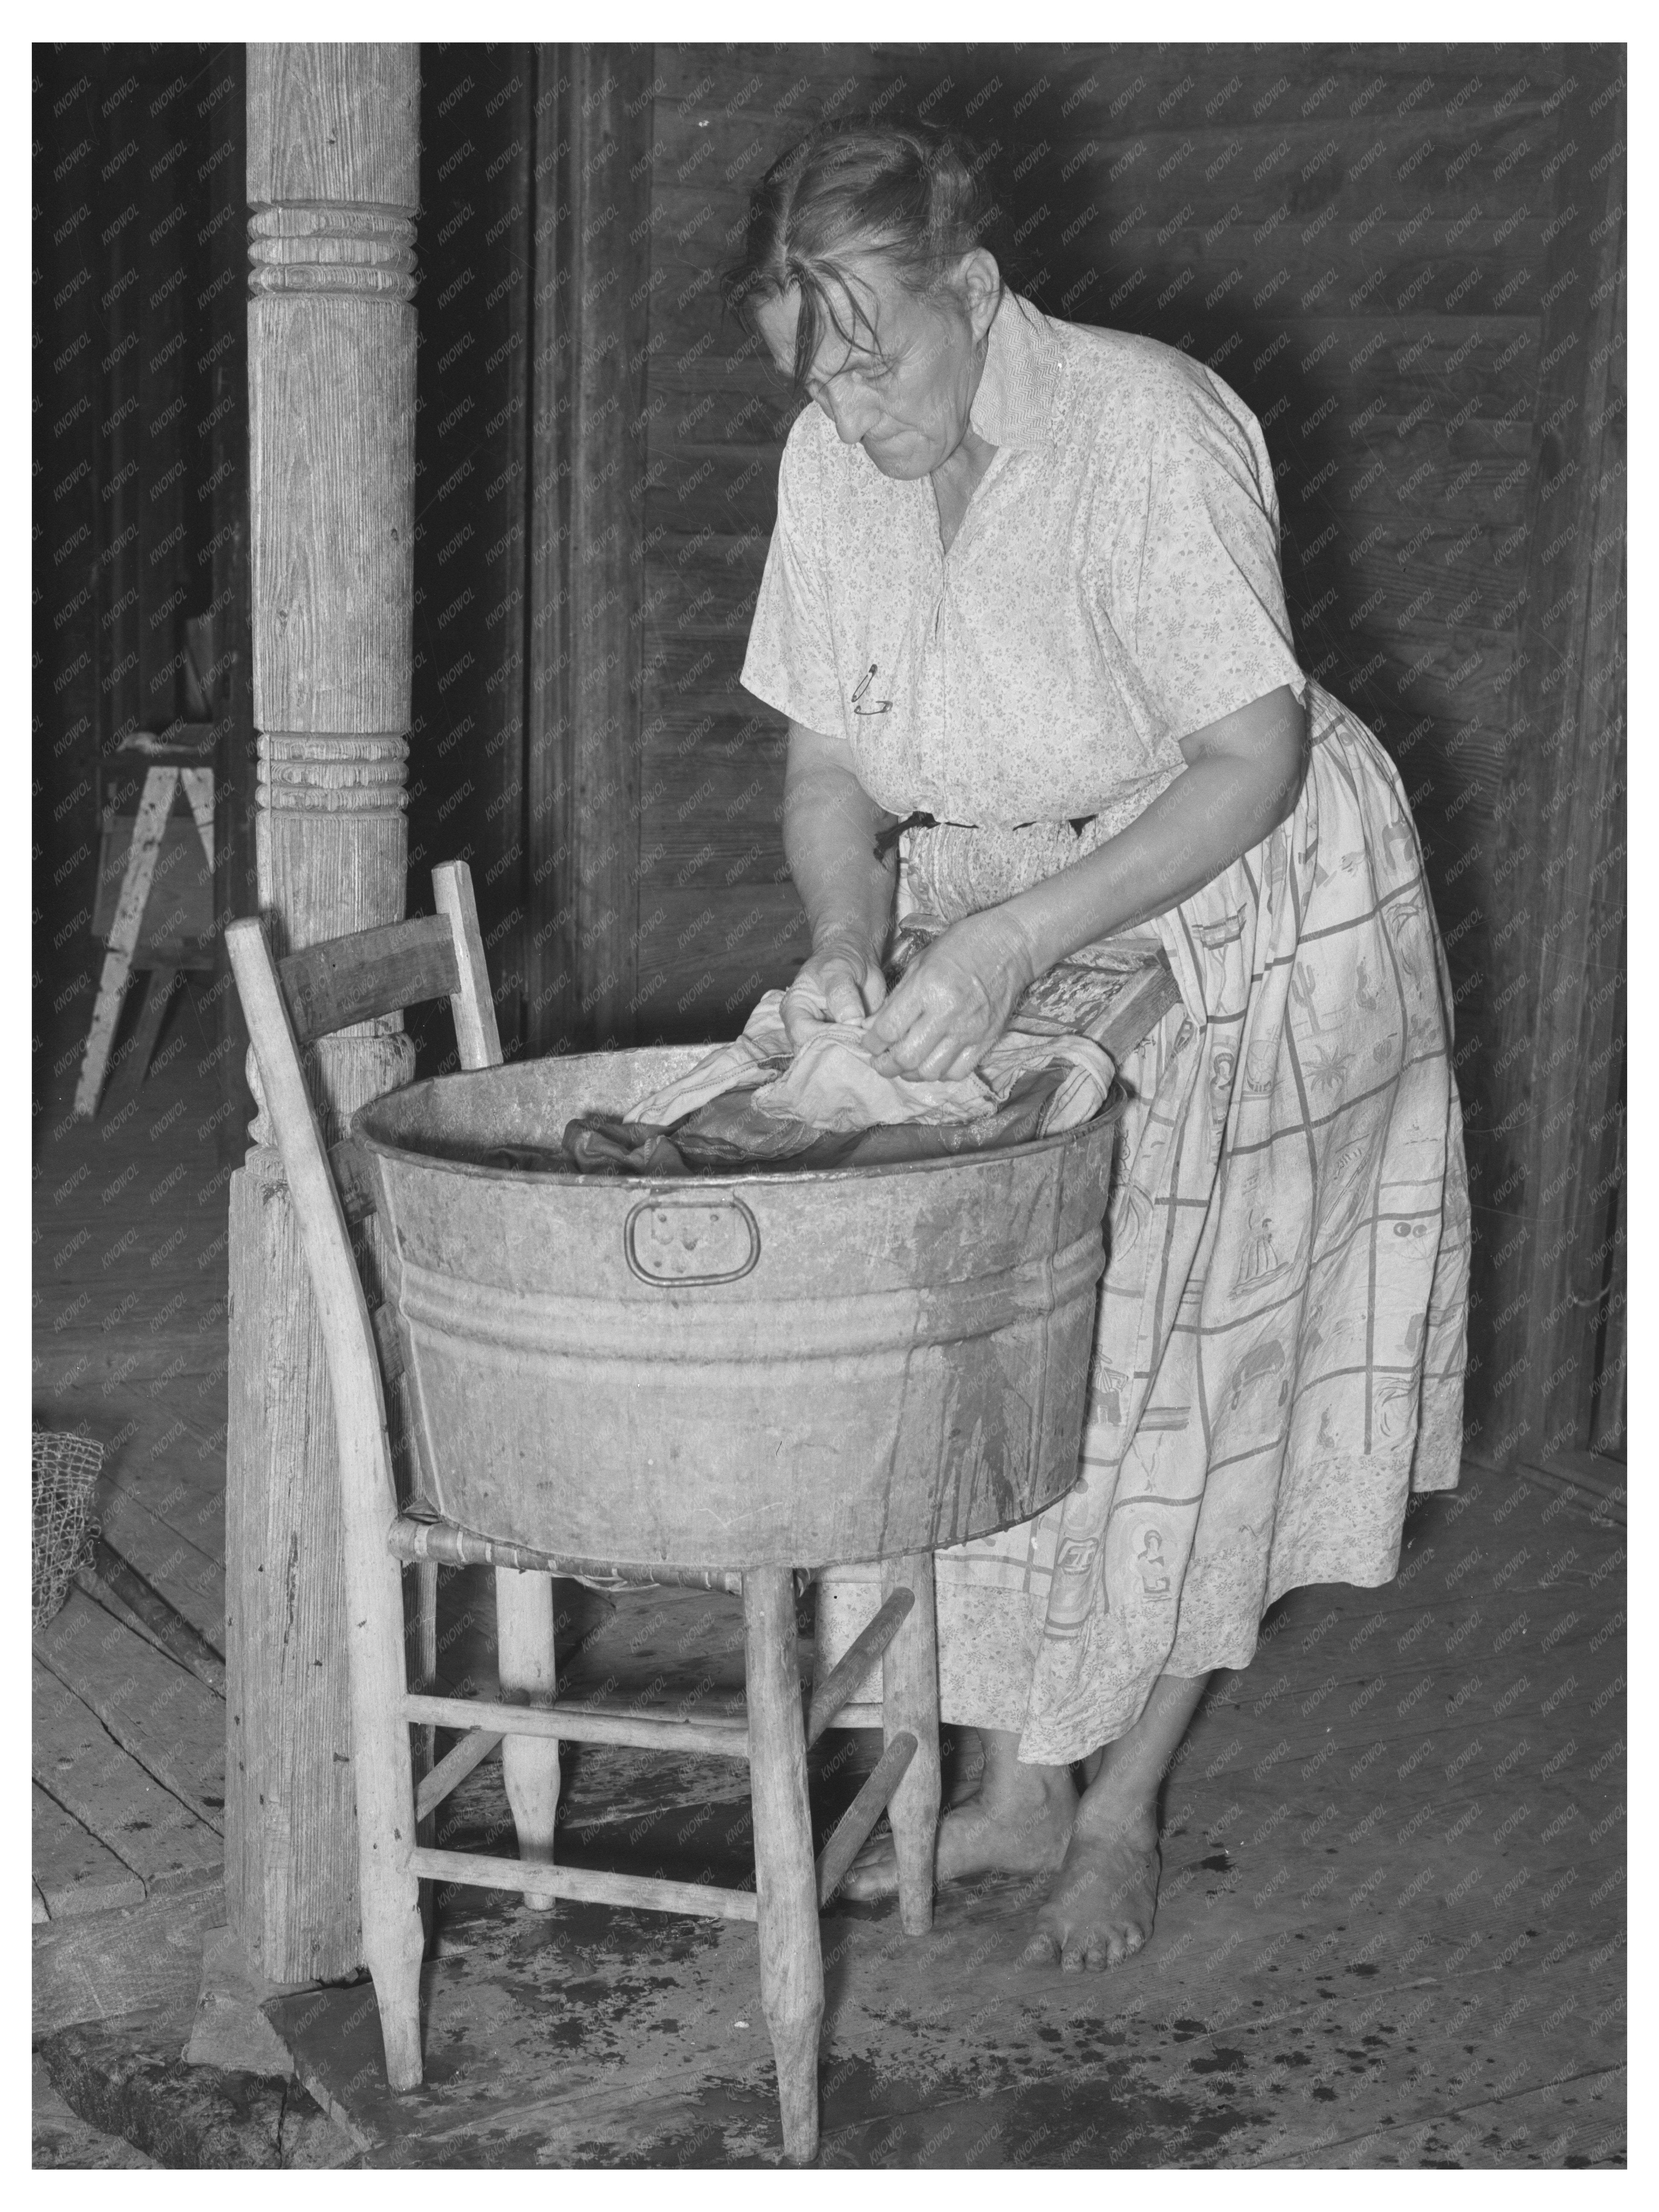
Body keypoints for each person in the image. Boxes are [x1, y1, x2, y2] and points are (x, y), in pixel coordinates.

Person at [723, 121, 1471, 1971]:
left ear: (974, 296)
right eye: (806, 368)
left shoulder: (1150, 426)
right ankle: (1014, 1776)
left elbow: (1254, 756)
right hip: (1008, 904)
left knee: (1183, 1372)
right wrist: (847, 935)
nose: (847, 405)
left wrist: (1011, 940)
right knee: (974, 1334)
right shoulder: (832, 457)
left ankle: (1121, 1799)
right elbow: (828, 763)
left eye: (874, 355)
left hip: (1243, 896)